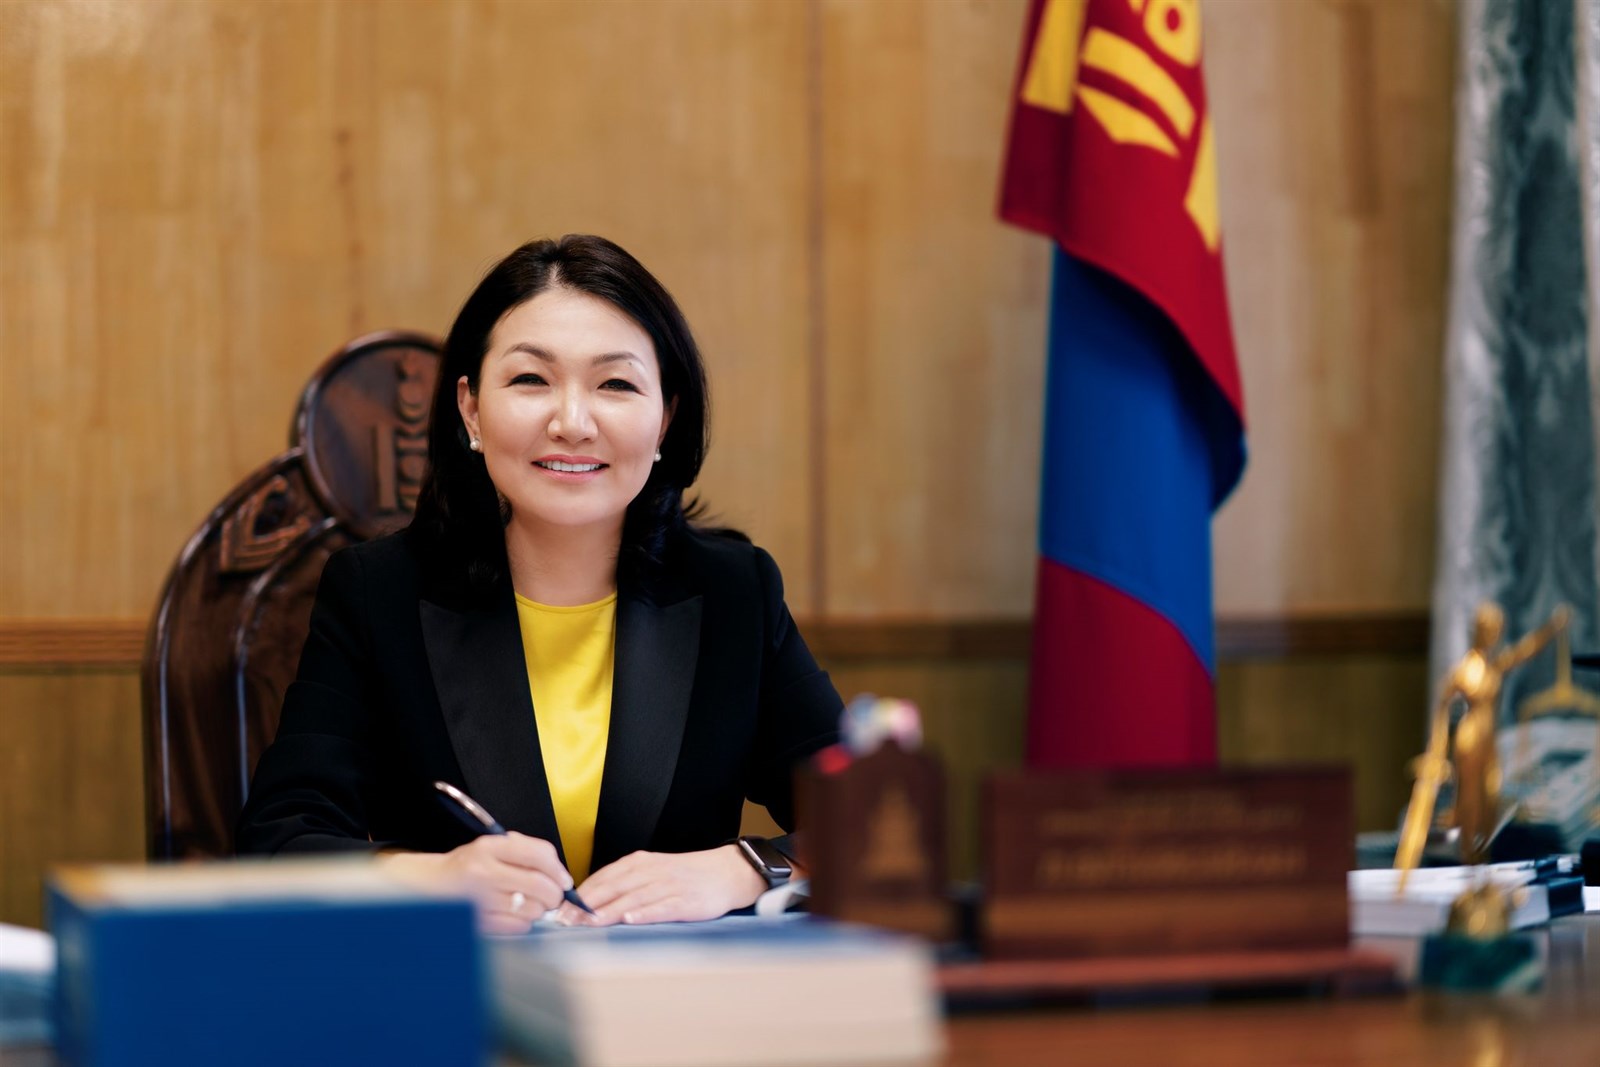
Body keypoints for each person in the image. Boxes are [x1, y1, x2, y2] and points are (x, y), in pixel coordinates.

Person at [236, 235, 844, 932]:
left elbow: (872, 820)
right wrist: (434, 877)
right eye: (531, 379)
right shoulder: (379, 594)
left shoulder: (736, 591)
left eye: (615, 384)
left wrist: (741, 867)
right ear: (470, 409)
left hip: (671, 993)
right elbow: (278, 843)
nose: (572, 423)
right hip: (466, 989)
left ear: (666, 419)